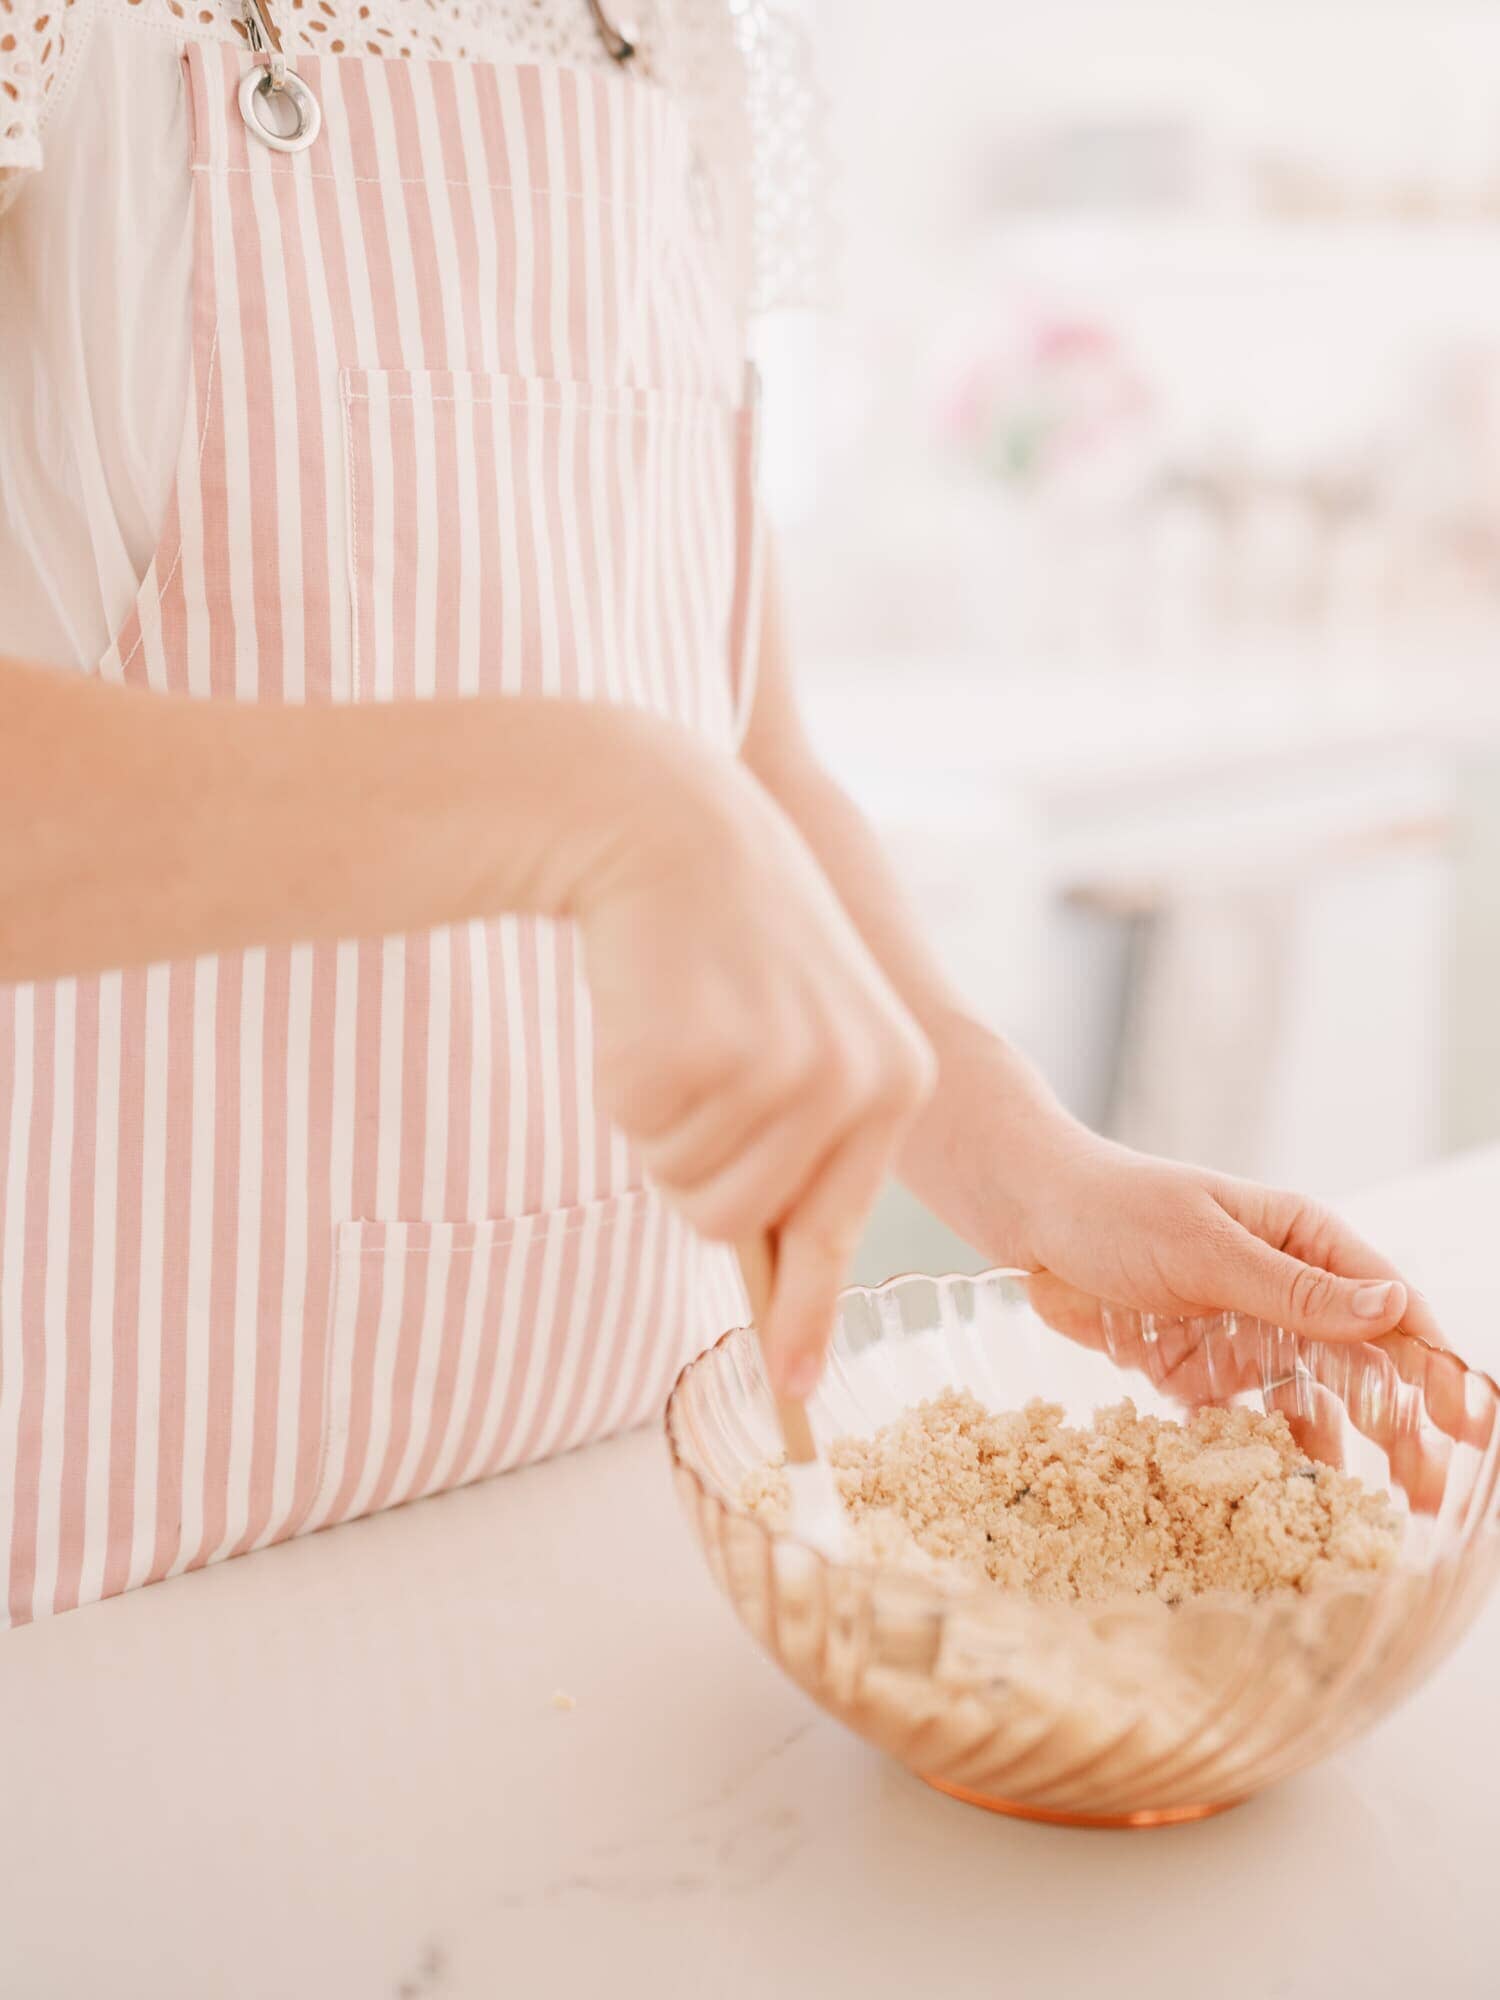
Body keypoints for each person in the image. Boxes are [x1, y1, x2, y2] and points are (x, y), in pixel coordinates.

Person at [0, 0, 1429, 1628]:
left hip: (621, 1523)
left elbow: (746, 755)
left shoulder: (657, 42)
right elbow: (660, 793)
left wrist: (1040, 1175)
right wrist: (596, 800)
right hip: (102, 1578)